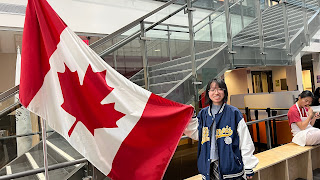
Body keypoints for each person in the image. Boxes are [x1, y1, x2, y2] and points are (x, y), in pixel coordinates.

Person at [184, 78, 259, 180]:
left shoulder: (234, 113)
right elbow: (197, 134)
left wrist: (248, 166)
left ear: (225, 92)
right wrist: (191, 118)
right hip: (208, 167)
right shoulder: (203, 114)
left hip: (231, 168)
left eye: (220, 89)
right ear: (208, 93)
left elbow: (245, 141)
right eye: (212, 89)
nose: (216, 92)